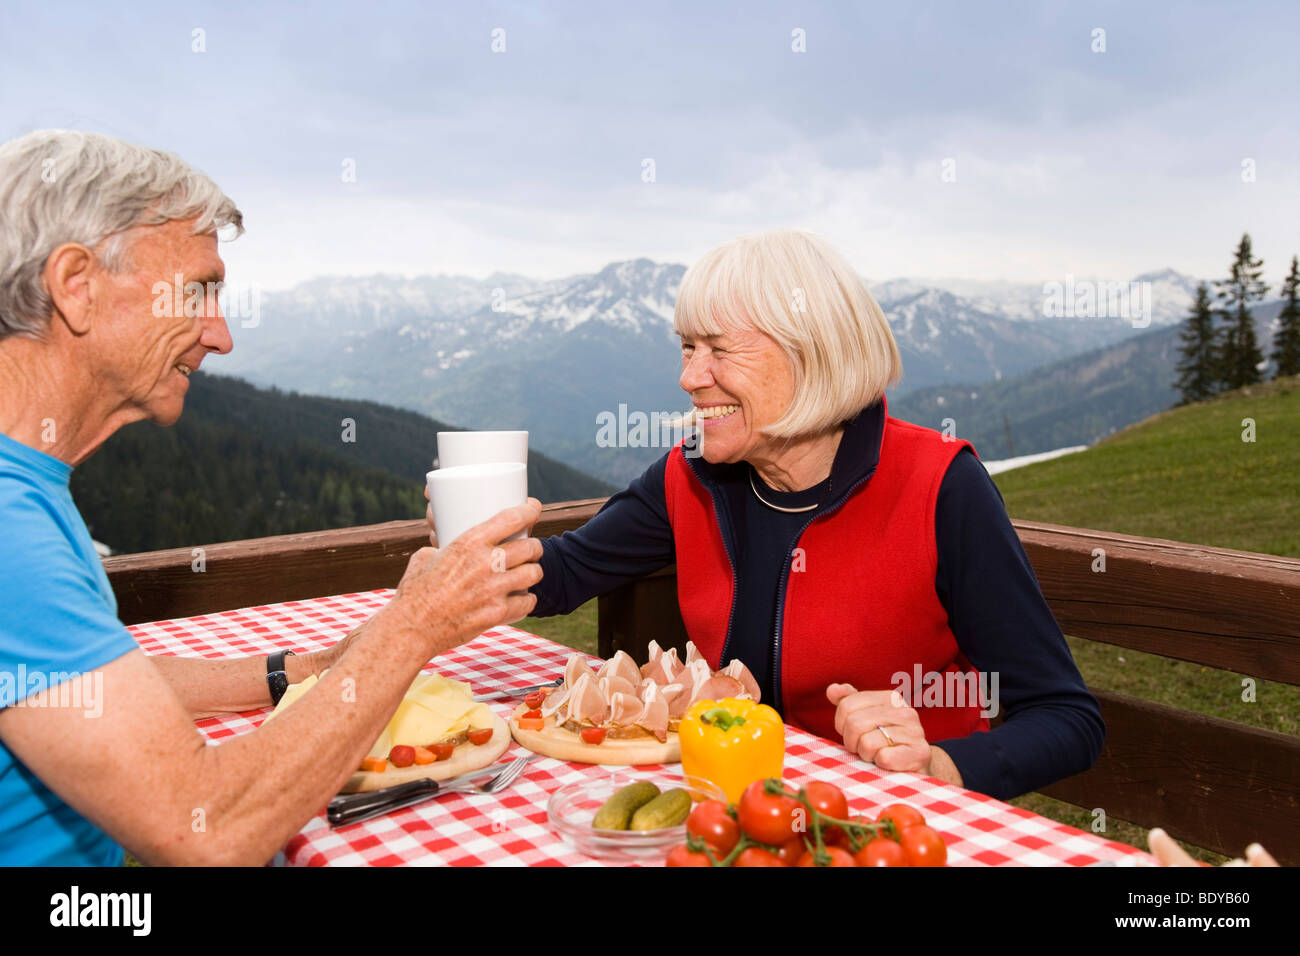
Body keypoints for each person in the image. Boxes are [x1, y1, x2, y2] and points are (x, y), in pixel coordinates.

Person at [0, 130, 543, 865]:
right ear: (76, 285)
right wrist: (416, 625)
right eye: (197, 291)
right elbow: (208, 831)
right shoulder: (11, 529)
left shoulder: (26, 486)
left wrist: (310, 669)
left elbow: (90, 681)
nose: (220, 337)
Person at [522, 229, 1105, 800]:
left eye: (719, 349)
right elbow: (564, 571)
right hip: (740, 815)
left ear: (811, 352)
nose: (689, 377)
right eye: (687, 347)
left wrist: (942, 764)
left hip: (883, 825)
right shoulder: (691, 474)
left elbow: (1067, 718)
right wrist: (454, 567)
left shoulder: (938, 486)